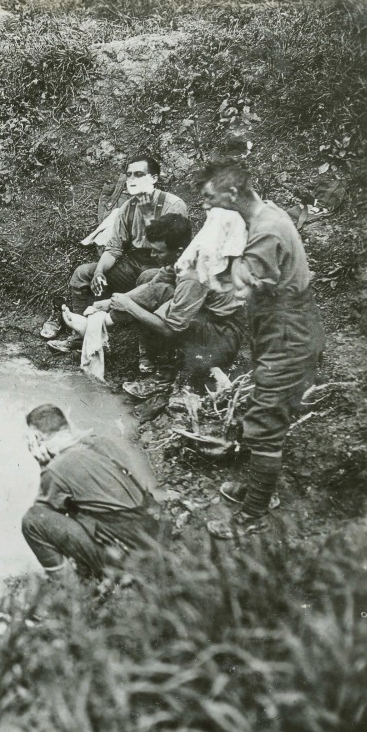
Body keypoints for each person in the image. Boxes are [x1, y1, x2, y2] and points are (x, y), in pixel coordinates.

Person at [195, 162, 325, 539]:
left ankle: (253, 515)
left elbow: (244, 289)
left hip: (288, 332)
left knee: (266, 420)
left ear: (231, 193)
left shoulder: (266, 231)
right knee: (265, 407)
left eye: (208, 197)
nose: (204, 204)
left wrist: (208, 275)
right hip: (281, 325)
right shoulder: (268, 214)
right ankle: (258, 489)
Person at [58, 213, 248, 397]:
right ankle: (99, 324)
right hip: (207, 319)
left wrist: (130, 306)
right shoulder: (184, 257)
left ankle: (162, 377)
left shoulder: (193, 274)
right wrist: (108, 303)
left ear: (178, 251)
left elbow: (170, 329)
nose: (152, 254)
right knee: (152, 280)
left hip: (220, 338)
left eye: (158, 251)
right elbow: (152, 285)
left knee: (160, 303)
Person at [44, 154, 188, 351]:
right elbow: (114, 247)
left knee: (148, 277)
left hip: (160, 266)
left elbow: (171, 247)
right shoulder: (127, 207)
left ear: (154, 178)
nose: (132, 180)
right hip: (133, 263)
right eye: (129, 175)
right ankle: (80, 336)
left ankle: (145, 351)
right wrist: (99, 272)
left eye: (139, 174)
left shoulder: (173, 204)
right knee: (82, 273)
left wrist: (147, 211)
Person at [20, 404, 158, 585]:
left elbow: (48, 515)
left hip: (129, 556)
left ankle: (69, 591)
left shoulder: (57, 468)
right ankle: (90, 569)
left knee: (32, 521)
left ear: (37, 437)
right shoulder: (101, 442)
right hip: (154, 538)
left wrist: (44, 466)